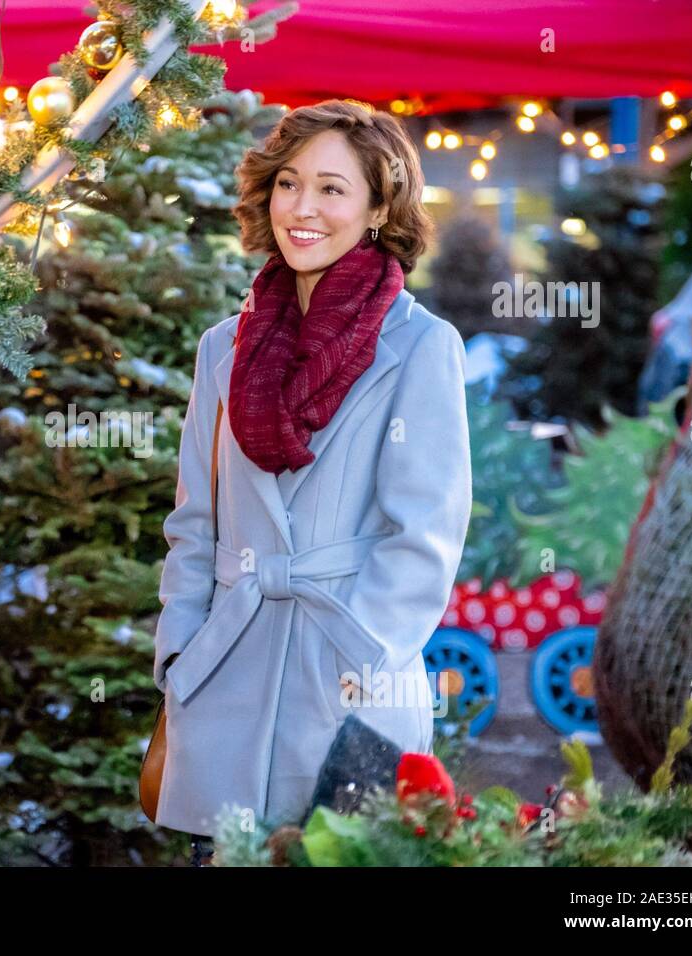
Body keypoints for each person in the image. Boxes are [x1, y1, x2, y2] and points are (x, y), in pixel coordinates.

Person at [151, 100, 472, 865]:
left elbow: (423, 537)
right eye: (289, 183)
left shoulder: (423, 346)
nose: (303, 208)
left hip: (350, 688)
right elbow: (195, 522)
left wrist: (358, 664)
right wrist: (180, 658)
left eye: (332, 189)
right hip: (224, 676)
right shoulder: (223, 347)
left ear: (376, 208)